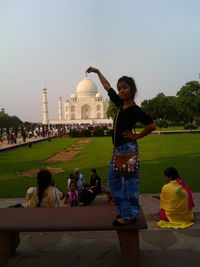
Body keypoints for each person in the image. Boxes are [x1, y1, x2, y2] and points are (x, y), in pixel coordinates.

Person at [86, 67, 156, 226]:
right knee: (114, 180)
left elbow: (151, 125)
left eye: (125, 87)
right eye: (120, 88)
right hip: (118, 149)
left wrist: (136, 135)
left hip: (128, 150)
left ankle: (129, 215)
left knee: (129, 184)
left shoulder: (134, 109)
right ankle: (126, 210)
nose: (121, 91)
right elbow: (107, 87)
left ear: (132, 90)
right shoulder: (120, 103)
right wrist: (97, 72)